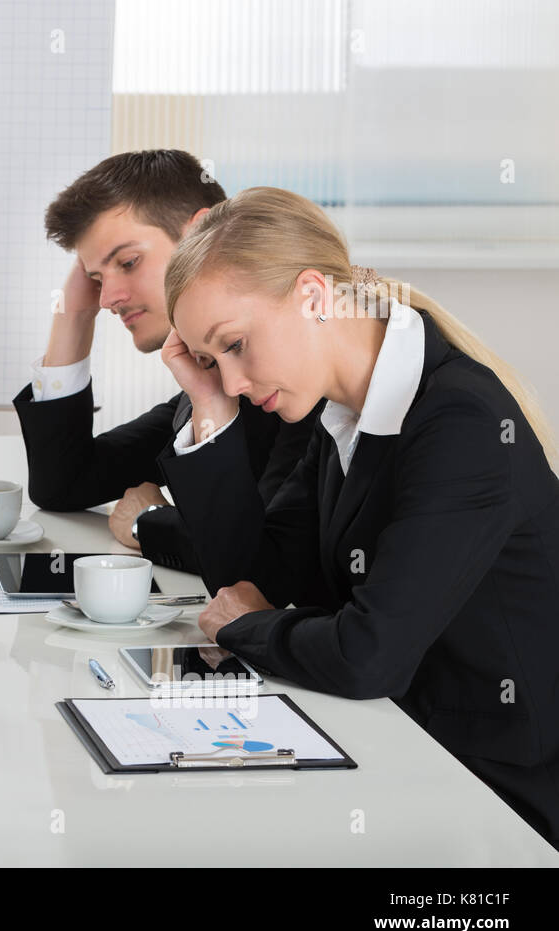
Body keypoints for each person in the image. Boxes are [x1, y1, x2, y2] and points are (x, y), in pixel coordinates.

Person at [157, 185, 559, 848]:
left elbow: (368, 654)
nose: (230, 380)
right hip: (403, 746)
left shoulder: (459, 421)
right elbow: (257, 578)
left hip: (498, 794)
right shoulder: (342, 411)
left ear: (313, 296)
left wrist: (250, 626)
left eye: (234, 345)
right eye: (207, 361)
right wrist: (207, 406)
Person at [13, 150, 320, 572]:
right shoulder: (204, 382)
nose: (108, 299)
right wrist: (72, 314)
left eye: (128, 262)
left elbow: (268, 557)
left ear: (202, 233)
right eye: (97, 279)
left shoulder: (300, 375)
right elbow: (63, 484)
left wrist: (148, 523)